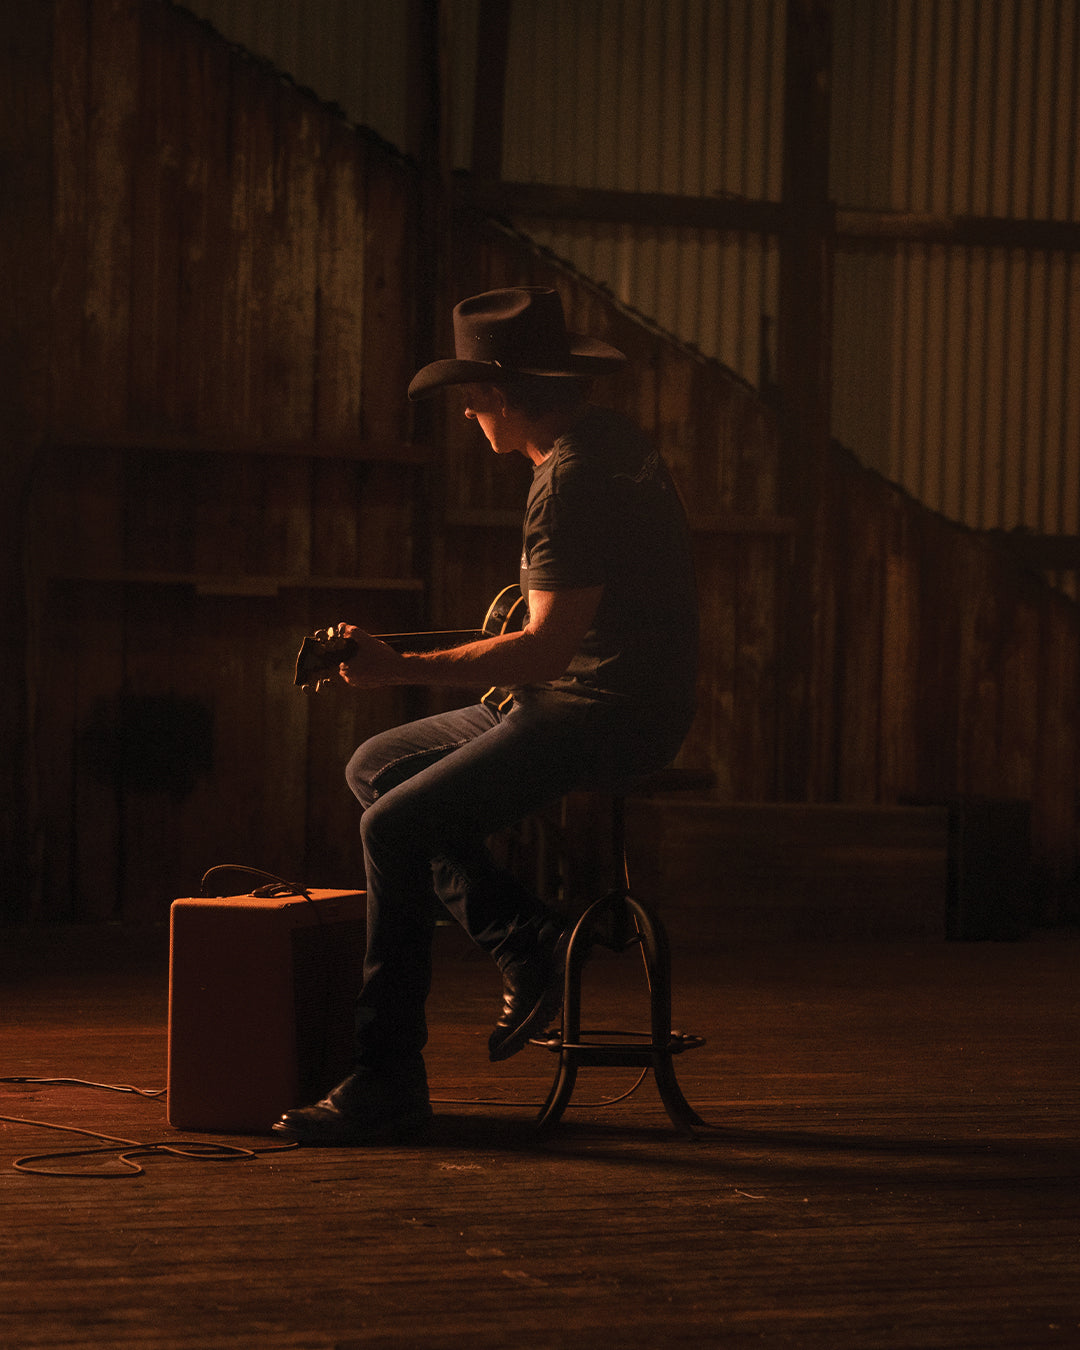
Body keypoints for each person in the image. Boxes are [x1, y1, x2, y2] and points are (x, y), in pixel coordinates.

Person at [274, 286, 697, 1145]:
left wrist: (397, 667)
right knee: (376, 767)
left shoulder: (567, 481)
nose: (466, 412)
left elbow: (542, 653)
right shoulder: (612, 443)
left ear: (500, 394)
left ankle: (387, 1078)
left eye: (472, 396)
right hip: (609, 694)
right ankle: (522, 937)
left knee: (392, 827)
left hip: (605, 712)